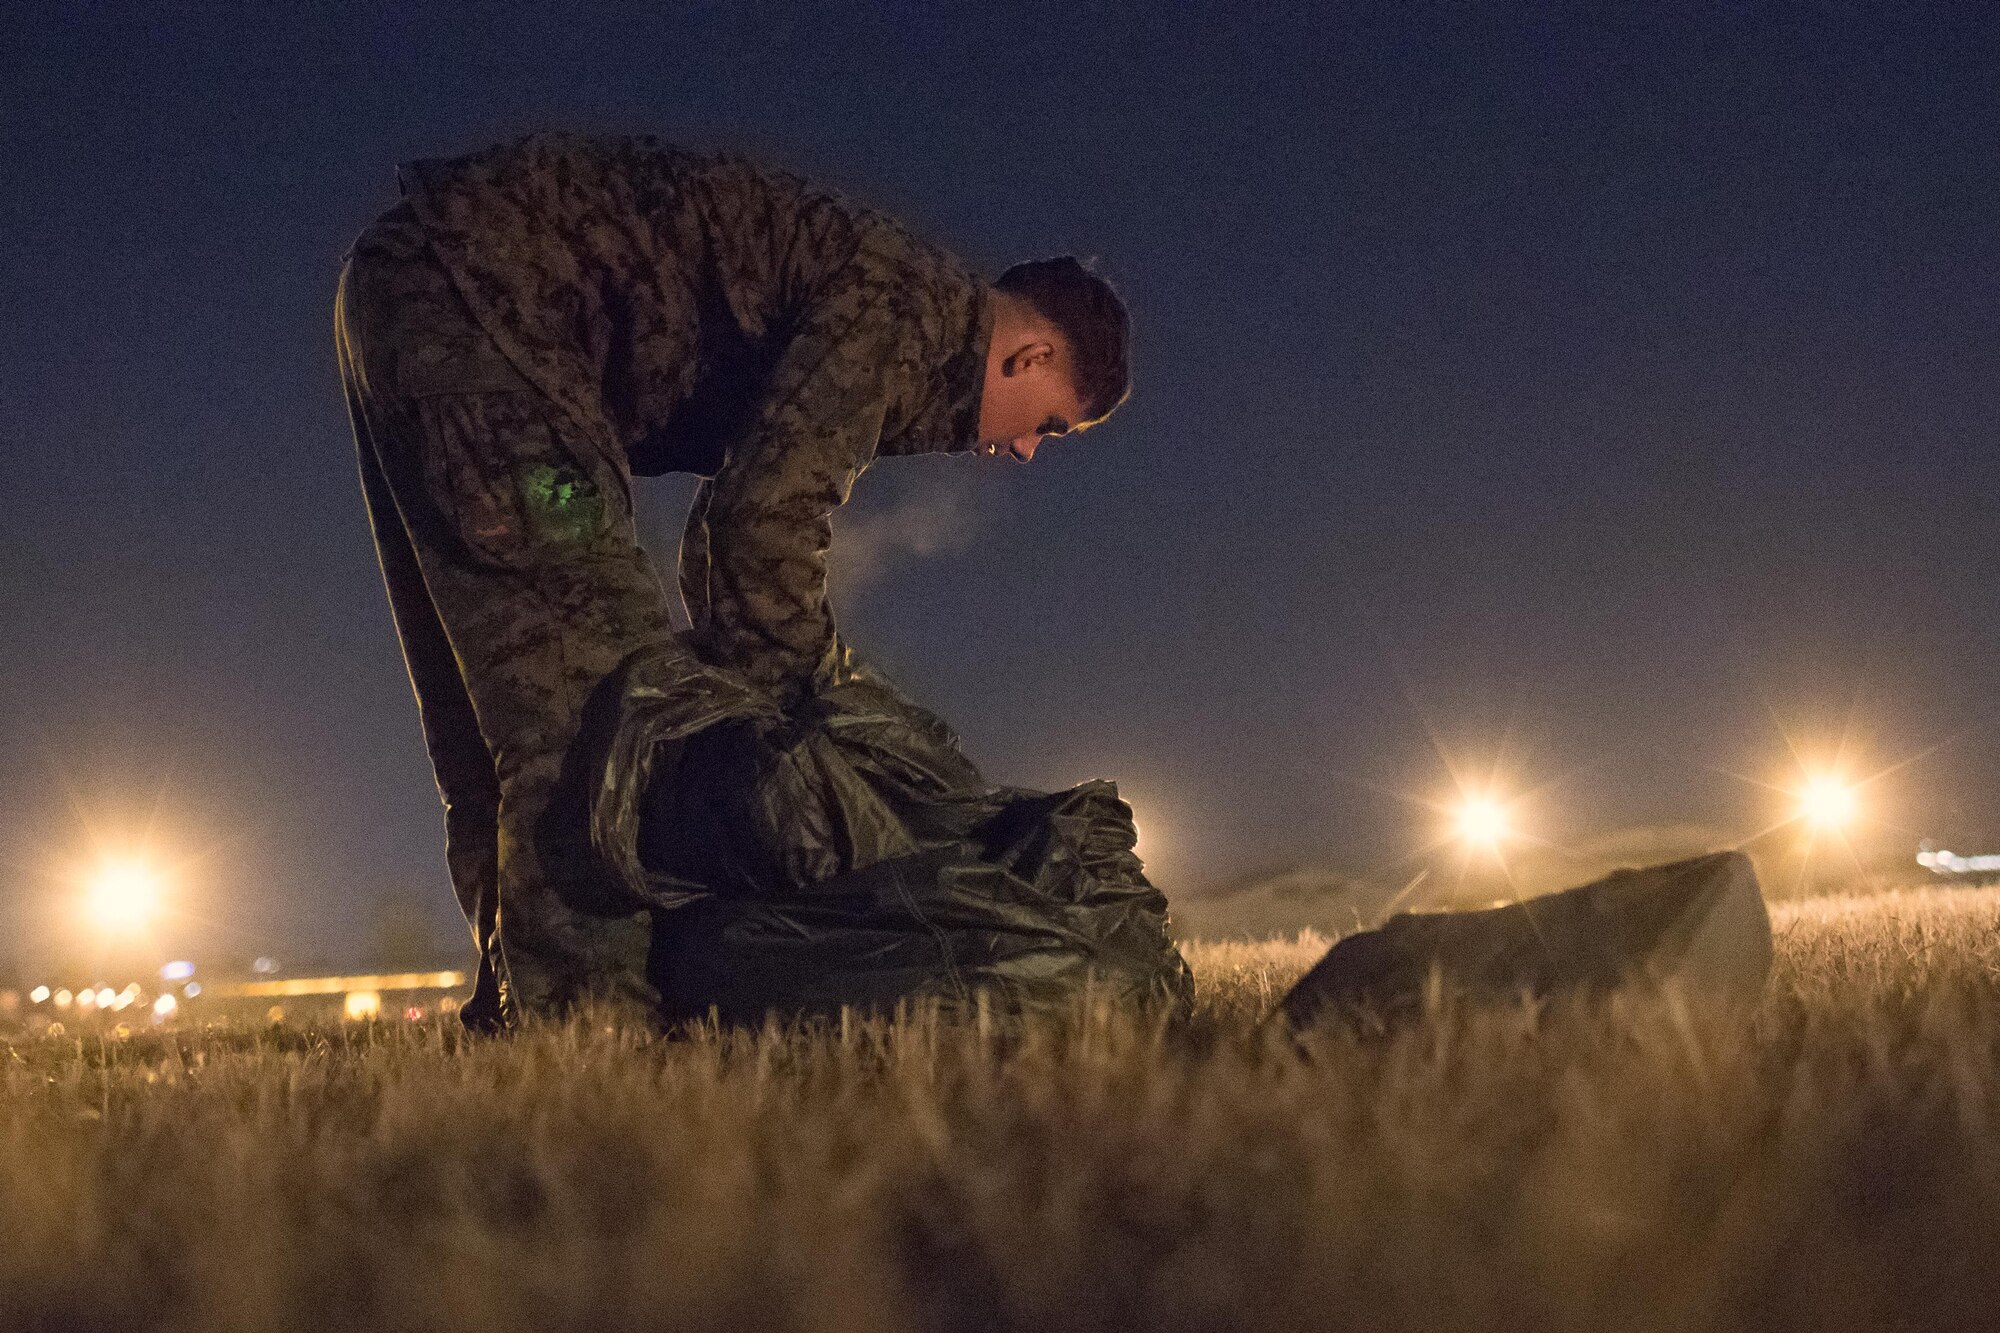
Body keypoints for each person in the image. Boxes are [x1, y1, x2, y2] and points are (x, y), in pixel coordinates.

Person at [332, 133, 1132, 1030]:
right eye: (1049, 426)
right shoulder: (909, 310)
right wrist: (806, 709)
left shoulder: (891, 295)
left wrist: (753, 686)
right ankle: (590, 1030)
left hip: (419, 290)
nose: (1023, 450)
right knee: (597, 719)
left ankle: (518, 1009)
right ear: (1028, 355)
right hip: (492, 316)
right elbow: (761, 526)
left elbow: (724, 531)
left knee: (502, 712)